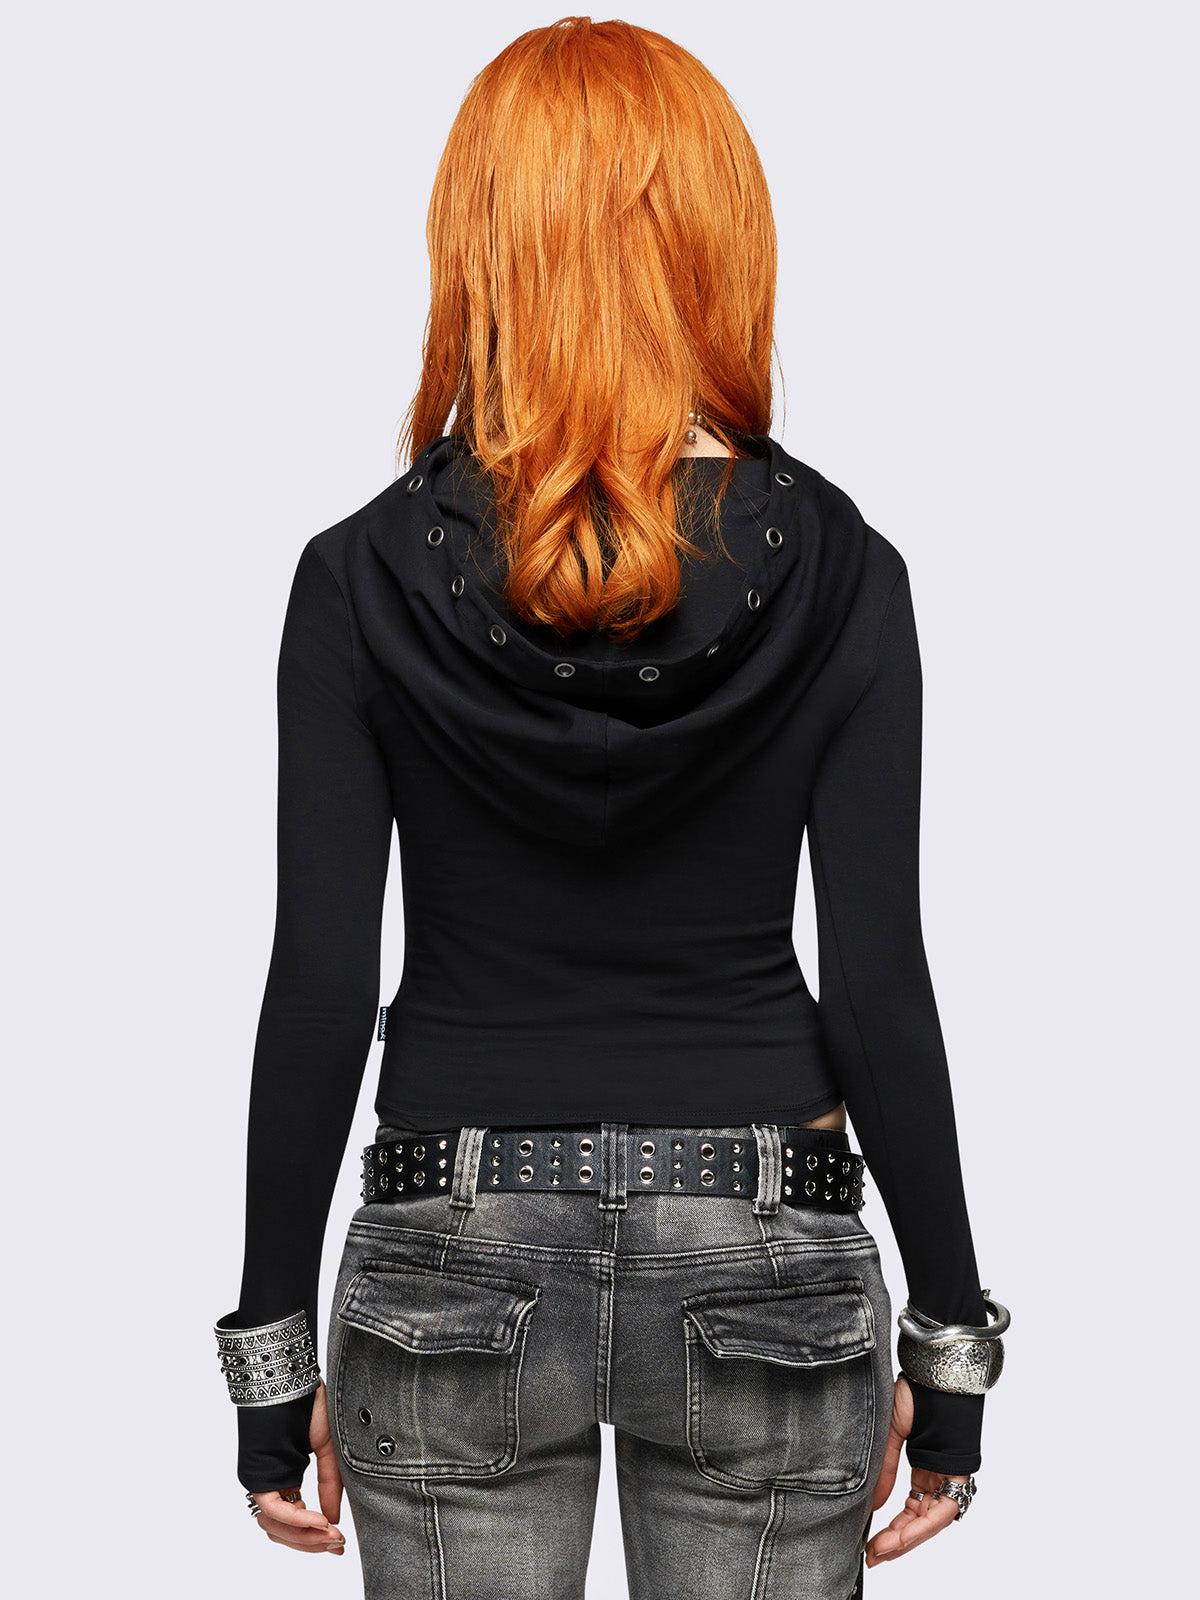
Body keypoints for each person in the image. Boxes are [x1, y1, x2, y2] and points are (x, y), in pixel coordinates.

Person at [212, 17, 1008, 1596]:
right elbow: (877, 984)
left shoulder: (356, 578)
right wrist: (954, 1350)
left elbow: (320, 982)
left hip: (450, 1248)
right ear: (720, 236)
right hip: (768, 1246)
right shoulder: (847, 573)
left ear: (478, 245)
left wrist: (268, 1361)